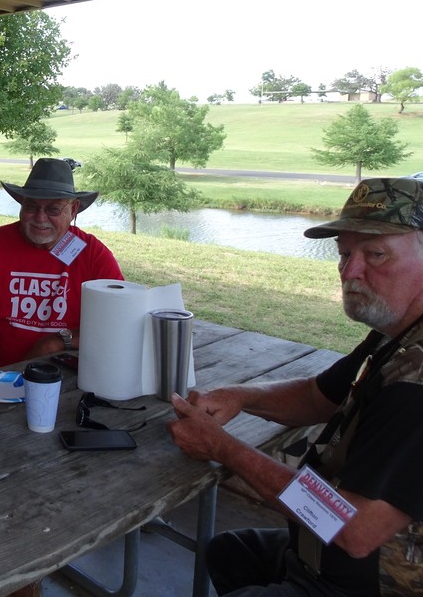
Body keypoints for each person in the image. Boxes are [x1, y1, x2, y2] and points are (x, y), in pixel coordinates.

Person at [167, 177, 423, 597]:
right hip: (325, 553)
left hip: (370, 581)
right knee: (230, 552)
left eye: (376, 254)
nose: (350, 273)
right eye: (344, 254)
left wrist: (221, 446)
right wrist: (240, 396)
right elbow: (316, 395)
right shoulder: (396, 333)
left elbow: (354, 531)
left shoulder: (416, 385)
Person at [0, 157, 123, 377]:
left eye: (53, 209)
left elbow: (118, 322)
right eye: (31, 206)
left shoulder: (93, 254)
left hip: (64, 380)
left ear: (73, 209)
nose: (40, 218)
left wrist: (57, 341)